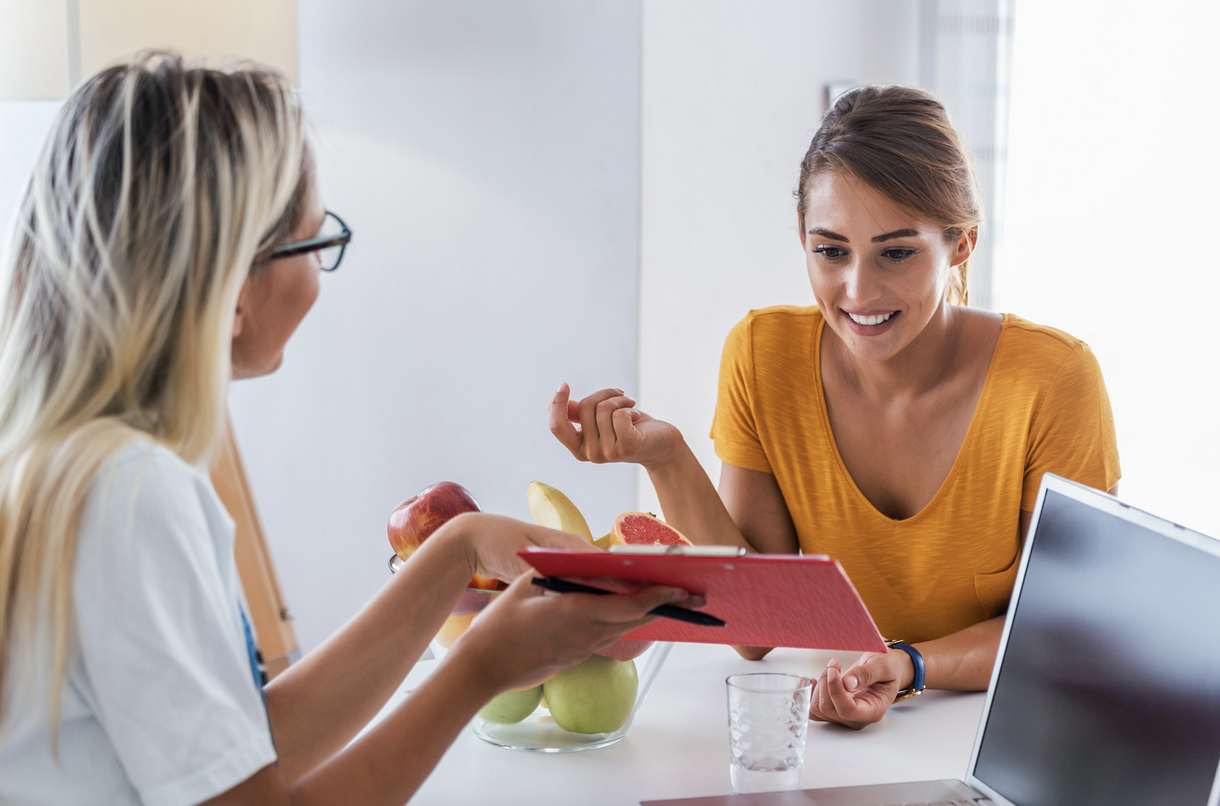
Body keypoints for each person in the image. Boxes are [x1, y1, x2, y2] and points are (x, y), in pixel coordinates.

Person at [0, 53, 692, 805]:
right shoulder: (136, 496)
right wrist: (481, 669)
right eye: (313, 243)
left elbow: (247, 751)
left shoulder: (66, 464)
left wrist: (459, 550)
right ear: (232, 287)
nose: (317, 275)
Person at [548, 84, 1120, 730]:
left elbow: (1064, 633)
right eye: (830, 250)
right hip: (834, 744)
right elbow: (755, 625)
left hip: (1006, 738)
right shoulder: (761, 357)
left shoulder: (1054, 381)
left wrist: (907, 665)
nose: (857, 290)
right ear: (802, 235)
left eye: (896, 252)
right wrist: (666, 457)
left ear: (961, 242)